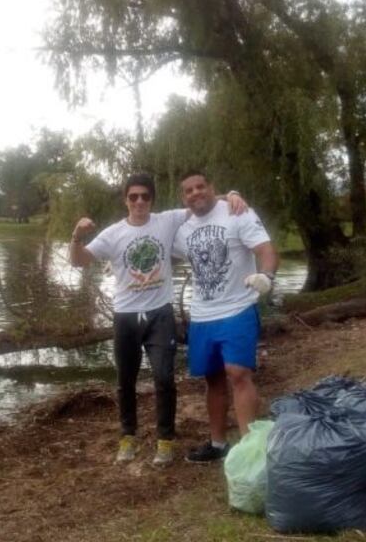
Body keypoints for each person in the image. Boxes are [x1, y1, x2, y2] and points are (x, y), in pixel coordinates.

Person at [69, 173, 246, 466]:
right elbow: (78, 261)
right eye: (133, 196)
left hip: (160, 314)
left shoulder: (167, 220)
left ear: (152, 199)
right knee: (125, 380)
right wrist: (77, 235)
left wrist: (233, 194)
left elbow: (202, 201)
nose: (139, 201)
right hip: (125, 316)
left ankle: (165, 440)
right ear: (126, 200)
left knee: (164, 378)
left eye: (145, 196)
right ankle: (128, 436)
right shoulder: (113, 234)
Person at [173, 169, 279, 463]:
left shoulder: (238, 212)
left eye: (201, 187)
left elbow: (266, 250)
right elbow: (152, 237)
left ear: (211, 186)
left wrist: (266, 276)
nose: (196, 193)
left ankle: (248, 447)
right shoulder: (182, 228)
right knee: (213, 380)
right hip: (202, 315)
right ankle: (218, 444)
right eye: (189, 190)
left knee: (238, 373)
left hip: (238, 308)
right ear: (183, 197)